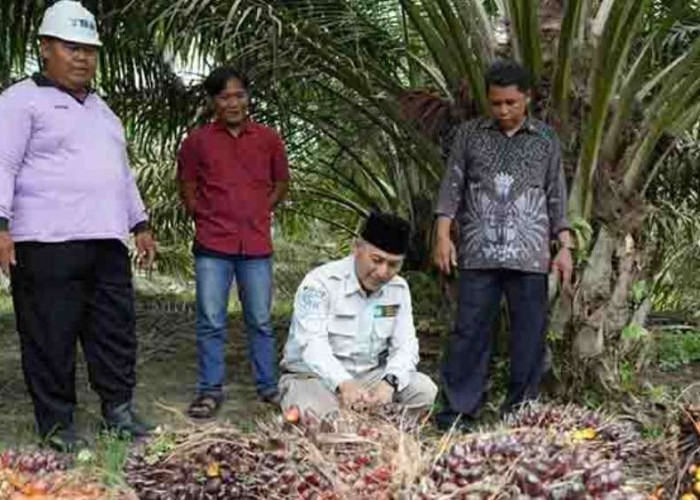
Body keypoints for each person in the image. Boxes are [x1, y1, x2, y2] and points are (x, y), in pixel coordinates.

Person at [0, 0, 156, 450]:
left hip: (106, 241)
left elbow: (122, 175)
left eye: (90, 48)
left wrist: (140, 223)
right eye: (72, 47)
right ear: (45, 48)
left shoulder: (103, 111)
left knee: (114, 331)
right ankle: (56, 423)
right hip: (46, 243)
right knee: (50, 335)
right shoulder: (19, 101)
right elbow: (3, 164)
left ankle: (119, 411)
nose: (83, 57)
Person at [433, 59, 574, 430]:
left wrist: (565, 246)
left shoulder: (545, 140)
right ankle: (458, 413)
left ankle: (521, 415)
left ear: (527, 98)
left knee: (529, 335)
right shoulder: (469, 134)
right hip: (478, 254)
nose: (503, 110)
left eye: (511, 102)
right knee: (469, 331)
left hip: (530, 256)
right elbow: (452, 187)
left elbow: (557, 196)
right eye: (496, 103)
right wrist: (442, 235)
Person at [177, 67, 290, 418]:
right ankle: (210, 391)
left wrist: (258, 210)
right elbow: (187, 188)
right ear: (213, 101)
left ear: (248, 97)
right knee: (211, 320)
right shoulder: (197, 142)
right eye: (225, 96)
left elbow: (281, 183)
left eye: (239, 95)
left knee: (260, 319)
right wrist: (207, 216)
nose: (233, 103)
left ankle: (268, 388)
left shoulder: (269, 139)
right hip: (213, 245)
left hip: (256, 245)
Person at [279, 212, 437, 418]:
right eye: (377, 260)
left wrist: (389, 382)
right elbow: (312, 345)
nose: (383, 272)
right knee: (318, 415)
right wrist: (343, 383)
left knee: (424, 392)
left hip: (368, 377)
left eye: (393, 264)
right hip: (313, 377)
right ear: (357, 247)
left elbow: (406, 345)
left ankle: (371, 425)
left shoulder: (398, 289)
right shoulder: (320, 284)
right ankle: (353, 421)